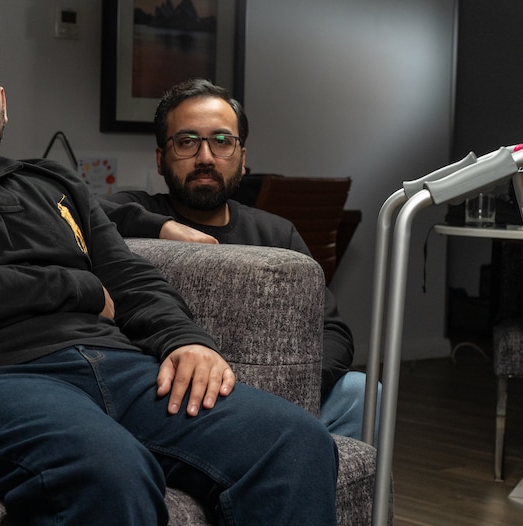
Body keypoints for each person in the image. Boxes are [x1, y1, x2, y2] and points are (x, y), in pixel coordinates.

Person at [0, 11, 339, 526]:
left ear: (2, 96)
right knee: (109, 468)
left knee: (294, 443)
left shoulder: (54, 183)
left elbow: (129, 277)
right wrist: (77, 287)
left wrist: (187, 340)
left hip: (115, 367)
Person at [100, 78, 378, 442]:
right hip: (181, 398)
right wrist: (165, 227)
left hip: (274, 391)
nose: (204, 158)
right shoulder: (137, 213)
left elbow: (332, 331)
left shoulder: (278, 235)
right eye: (186, 142)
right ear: (161, 158)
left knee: (361, 391)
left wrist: (284, 384)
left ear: (242, 159)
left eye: (221, 142)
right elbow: (76, 207)